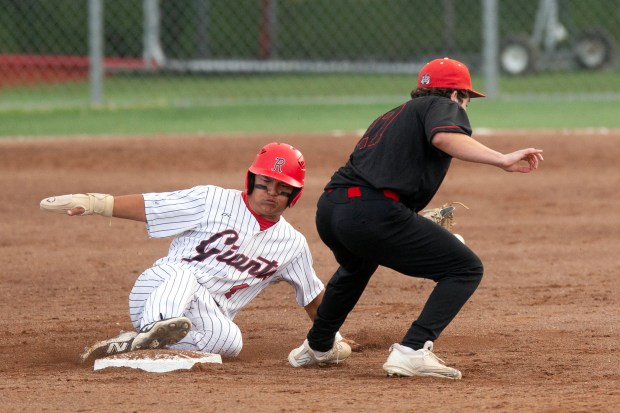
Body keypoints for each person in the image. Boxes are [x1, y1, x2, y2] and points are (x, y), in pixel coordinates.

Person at [288, 57, 544, 379]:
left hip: (332, 209)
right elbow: (444, 137)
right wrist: (501, 159)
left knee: (357, 265)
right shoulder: (443, 106)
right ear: (454, 95)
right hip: (371, 212)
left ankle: (318, 345)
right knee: (465, 268)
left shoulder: (392, 116)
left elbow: (382, 175)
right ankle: (412, 350)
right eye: (466, 99)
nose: (465, 107)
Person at [40, 142, 353, 363]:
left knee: (232, 340)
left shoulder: (291, 244)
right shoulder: (211, 200)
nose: (271, 193)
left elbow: (312, 295)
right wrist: (97, 204)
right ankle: (155, 327)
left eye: (281, 188)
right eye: (265, 183)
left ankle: (137, 345)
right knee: (188, 274)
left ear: (293, 195)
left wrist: (330, 338)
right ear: (251, 180)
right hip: (160, 286)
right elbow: (154, 206)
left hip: (203, 314)